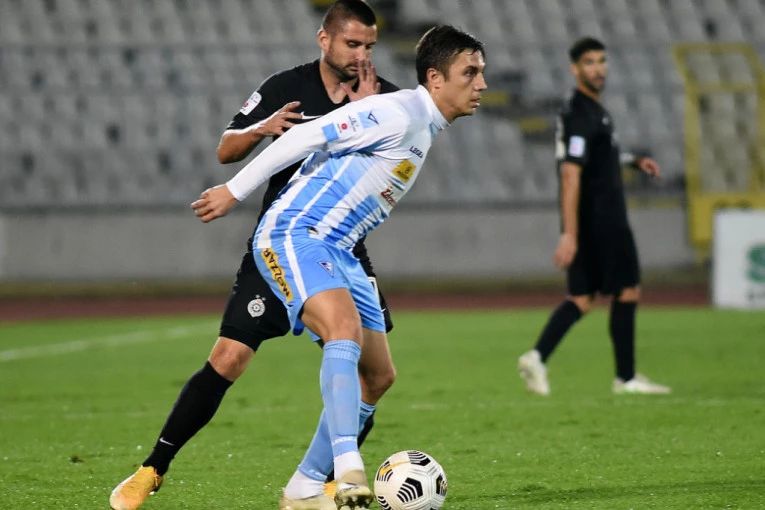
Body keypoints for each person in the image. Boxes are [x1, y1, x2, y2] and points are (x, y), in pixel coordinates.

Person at [109, 2, 398, 509]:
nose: (361, 56)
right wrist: (263, 127)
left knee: (374, 375)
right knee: (229, 357)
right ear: (324, 40)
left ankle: (322, 484)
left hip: (342, 249)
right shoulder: (287, 87)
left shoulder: (384, 99)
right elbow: (225, 150)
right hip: (282, 245)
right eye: (352, 44)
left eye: (369, 46)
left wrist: (365, 115)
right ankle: (152, 468)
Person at [191, 24, 486, 510]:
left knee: (378, 376)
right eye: (470, 73)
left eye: (481, 73)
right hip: (294, 233)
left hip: (339, 248)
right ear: (435, 78)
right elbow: (305, 135)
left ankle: (304, 489)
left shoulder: (422, 125)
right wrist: (234, 191)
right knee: (342, 329)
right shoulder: (398, 112)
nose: (481, 84)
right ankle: (348, 471)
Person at [518, 37, 671, 397]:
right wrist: (568, 234)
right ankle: (626, 378)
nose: (598, 68)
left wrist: (632, 160)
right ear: (575, 69)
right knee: (628, 290)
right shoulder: (583, 113)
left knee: (583, 297)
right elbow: (571, 172)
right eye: (589, 62)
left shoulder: (586, 110)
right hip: (603, 219)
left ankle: (537, 357)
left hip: (590, 219)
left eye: (602, 61)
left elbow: (594, 156)